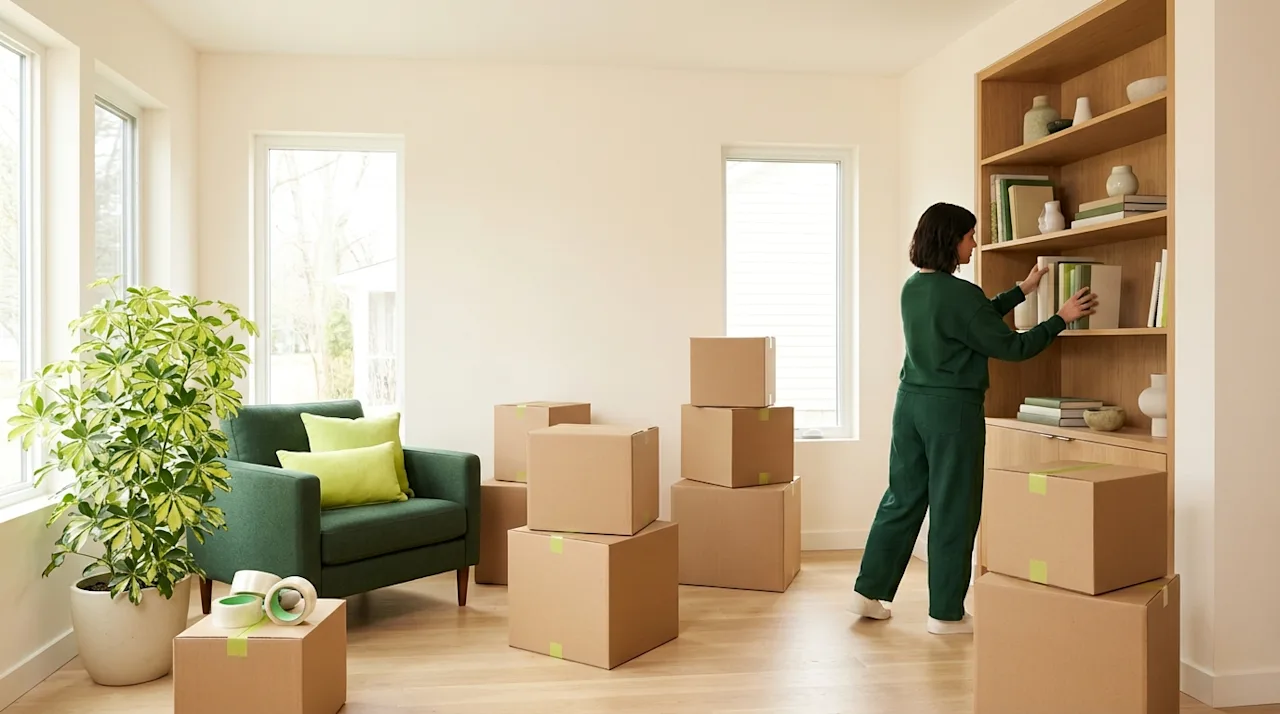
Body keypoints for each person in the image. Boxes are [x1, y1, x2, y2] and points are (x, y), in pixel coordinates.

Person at [848, 201, 1097, 635]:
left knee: (901, 499)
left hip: (909, 407)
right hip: (952, 413)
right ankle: (945, 614)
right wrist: (1060, 318)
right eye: (970, 236)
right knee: (953, 510)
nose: (975, 244)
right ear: (950, 240)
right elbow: (1012, 347)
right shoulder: (960, 295)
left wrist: (1022, 289)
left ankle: (868, 591)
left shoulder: (912, 288)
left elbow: (970, 319)